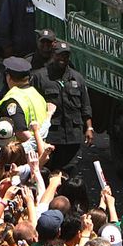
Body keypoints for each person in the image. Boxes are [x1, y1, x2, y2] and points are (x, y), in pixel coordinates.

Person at [30, 41, 93, 177]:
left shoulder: (77, 78)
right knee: (49, 170)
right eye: (59, 55)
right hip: (51, 135)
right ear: (53, 55)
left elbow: (85, 105)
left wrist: (89, 128)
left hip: (73, 135)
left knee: (71, 171)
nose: (62, 59)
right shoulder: (40, 77)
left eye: (65, 56)